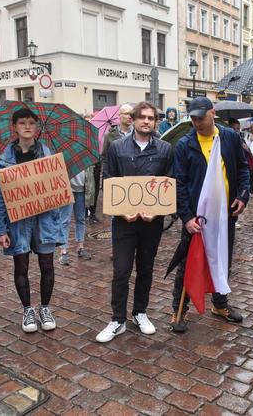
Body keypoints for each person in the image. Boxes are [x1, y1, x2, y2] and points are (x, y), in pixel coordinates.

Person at [170, 97, 250, 333]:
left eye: (200, 117)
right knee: (188, 263)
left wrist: (243, 196)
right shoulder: (185, 145)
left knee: (223, 259)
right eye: (193, 118)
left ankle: (220, 304)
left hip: (225, 215)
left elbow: (243, 169)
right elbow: (180, 184)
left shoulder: (230, 138)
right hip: (197, 218)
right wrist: (186, 218)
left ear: (212, 113)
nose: (196, 122)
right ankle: (179, 310)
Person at [96, 101, 173, 343]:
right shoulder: (117, 147)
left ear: (155, 122)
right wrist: (121, 212)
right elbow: (108, 181)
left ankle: (140, 312)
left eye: (151, 118)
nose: (146, 121)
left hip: (151, 222)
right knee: (121, 270)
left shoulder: (165, 149)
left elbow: (169, 182)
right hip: (124, 222)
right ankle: (117, 319)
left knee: (146, 269)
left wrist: (158, 211)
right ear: (134, 120)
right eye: (143, 117)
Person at [0, 109, 66, 334]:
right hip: (18, 221)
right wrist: (0, 229)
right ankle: (27, 310)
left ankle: (45, 308)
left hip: (45, 220)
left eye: (31, 123)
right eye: (22, 123)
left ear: (37, 127)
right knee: (21, 266)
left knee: (47, 265)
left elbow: (61, 193)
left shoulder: (49, 156)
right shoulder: (4, 160)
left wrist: (61, 227)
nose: (27, 126)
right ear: (14, 127)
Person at [59, 166, 94, 265]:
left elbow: (90, 174)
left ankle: (80, 246)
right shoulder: (65, 155)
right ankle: (63, 250)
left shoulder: (85, 157)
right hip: (67, 188)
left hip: (83, 190)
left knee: (81, 219)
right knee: (65, 220)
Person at [83, 113, 102, 224]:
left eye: (90, 122)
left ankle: (92, 213)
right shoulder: (81, 136)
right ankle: (85, 212)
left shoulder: (96, 135)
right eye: (87, 122)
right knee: (87, 191)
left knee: (94, 191)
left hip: (96, 165)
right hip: (86, 166)